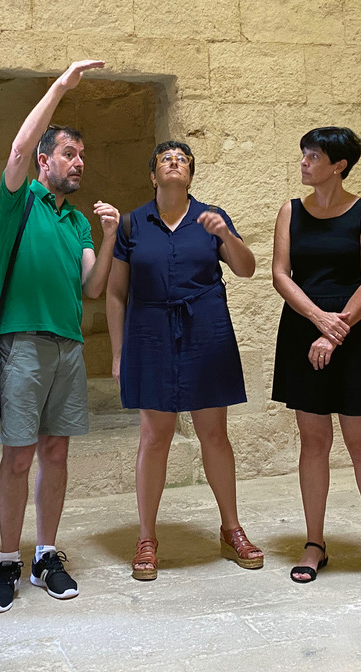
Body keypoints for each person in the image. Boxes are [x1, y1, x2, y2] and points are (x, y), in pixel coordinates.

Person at [0, 60, 119, 614]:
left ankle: (44, 554)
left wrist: (109, 236)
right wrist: (60, 86)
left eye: (81, 155)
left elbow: (92, 287)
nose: (78, 162)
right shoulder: (21, 202)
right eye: (68, 153)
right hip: (21, 343)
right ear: (45, 161)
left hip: (68, 347)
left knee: (56, 452)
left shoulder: (77, 221)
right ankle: (7, 560)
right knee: (17, 458)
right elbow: (15, 151)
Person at [106, 141, 261, 581]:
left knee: (215, 434)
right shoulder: (133, 223)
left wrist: (225, 235)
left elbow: (247, 268)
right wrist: (118, 353)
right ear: (153, 175)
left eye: (183, 161)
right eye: (165, 160)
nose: (175, 164)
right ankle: (147, 538)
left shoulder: (212, 217)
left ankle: (231, 529)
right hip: (149, 332)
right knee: (155, 435)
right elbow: (116, 295)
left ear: (190, 175)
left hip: (206, 330)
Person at [270, 127, 361, 587]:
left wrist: (336, 329)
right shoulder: (290, 211)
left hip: (355, 332)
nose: (304, 162)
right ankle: (314, 542)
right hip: (304, 330)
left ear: (339, 164)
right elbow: (281, 275)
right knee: (313, 440)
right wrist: (318, 321)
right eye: (303, 154)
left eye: (313, 155)